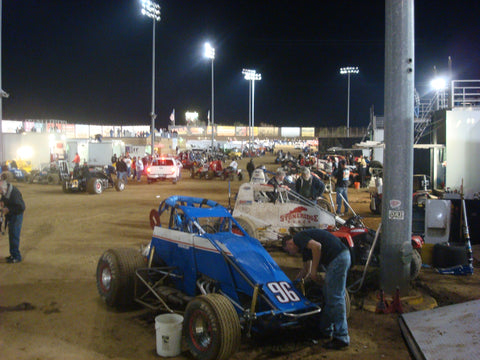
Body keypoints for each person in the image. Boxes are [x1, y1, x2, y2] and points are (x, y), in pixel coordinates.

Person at [283, 229, 350, 350]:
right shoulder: (304, 248)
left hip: (337, 258)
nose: (291, 254)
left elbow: (317, 247)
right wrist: (292, 285)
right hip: (341, 257)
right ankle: (325, 330)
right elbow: (305, 270)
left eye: (288, 251)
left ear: (289, 243)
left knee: (335, 298)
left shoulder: (299, 237)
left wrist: (314, 272)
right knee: (328, 296)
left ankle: (341, 336)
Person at [0, 174, 26, 263]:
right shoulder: (5, 189)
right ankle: (13, 254)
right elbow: (4, 197)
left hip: (17, 215)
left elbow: (21, 207)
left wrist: (8, 209)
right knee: (11, 235)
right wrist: (2, 202)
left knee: (14, 235)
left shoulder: (14, 193)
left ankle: (16, 257)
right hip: (12, 215)